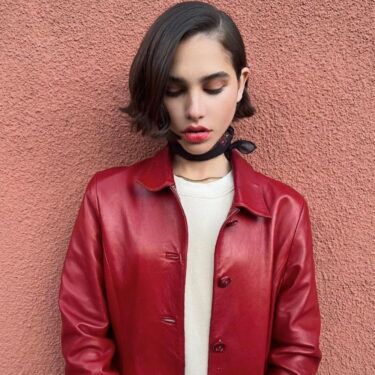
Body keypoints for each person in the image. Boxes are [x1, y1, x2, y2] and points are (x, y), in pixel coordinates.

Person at [58, 1, 322, 374]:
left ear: (241, 83)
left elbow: (297, 348)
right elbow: (84, 335)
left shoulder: (283, 211)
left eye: (214, 87)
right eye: (174, 89)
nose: (194, 109)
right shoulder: (107, 199)